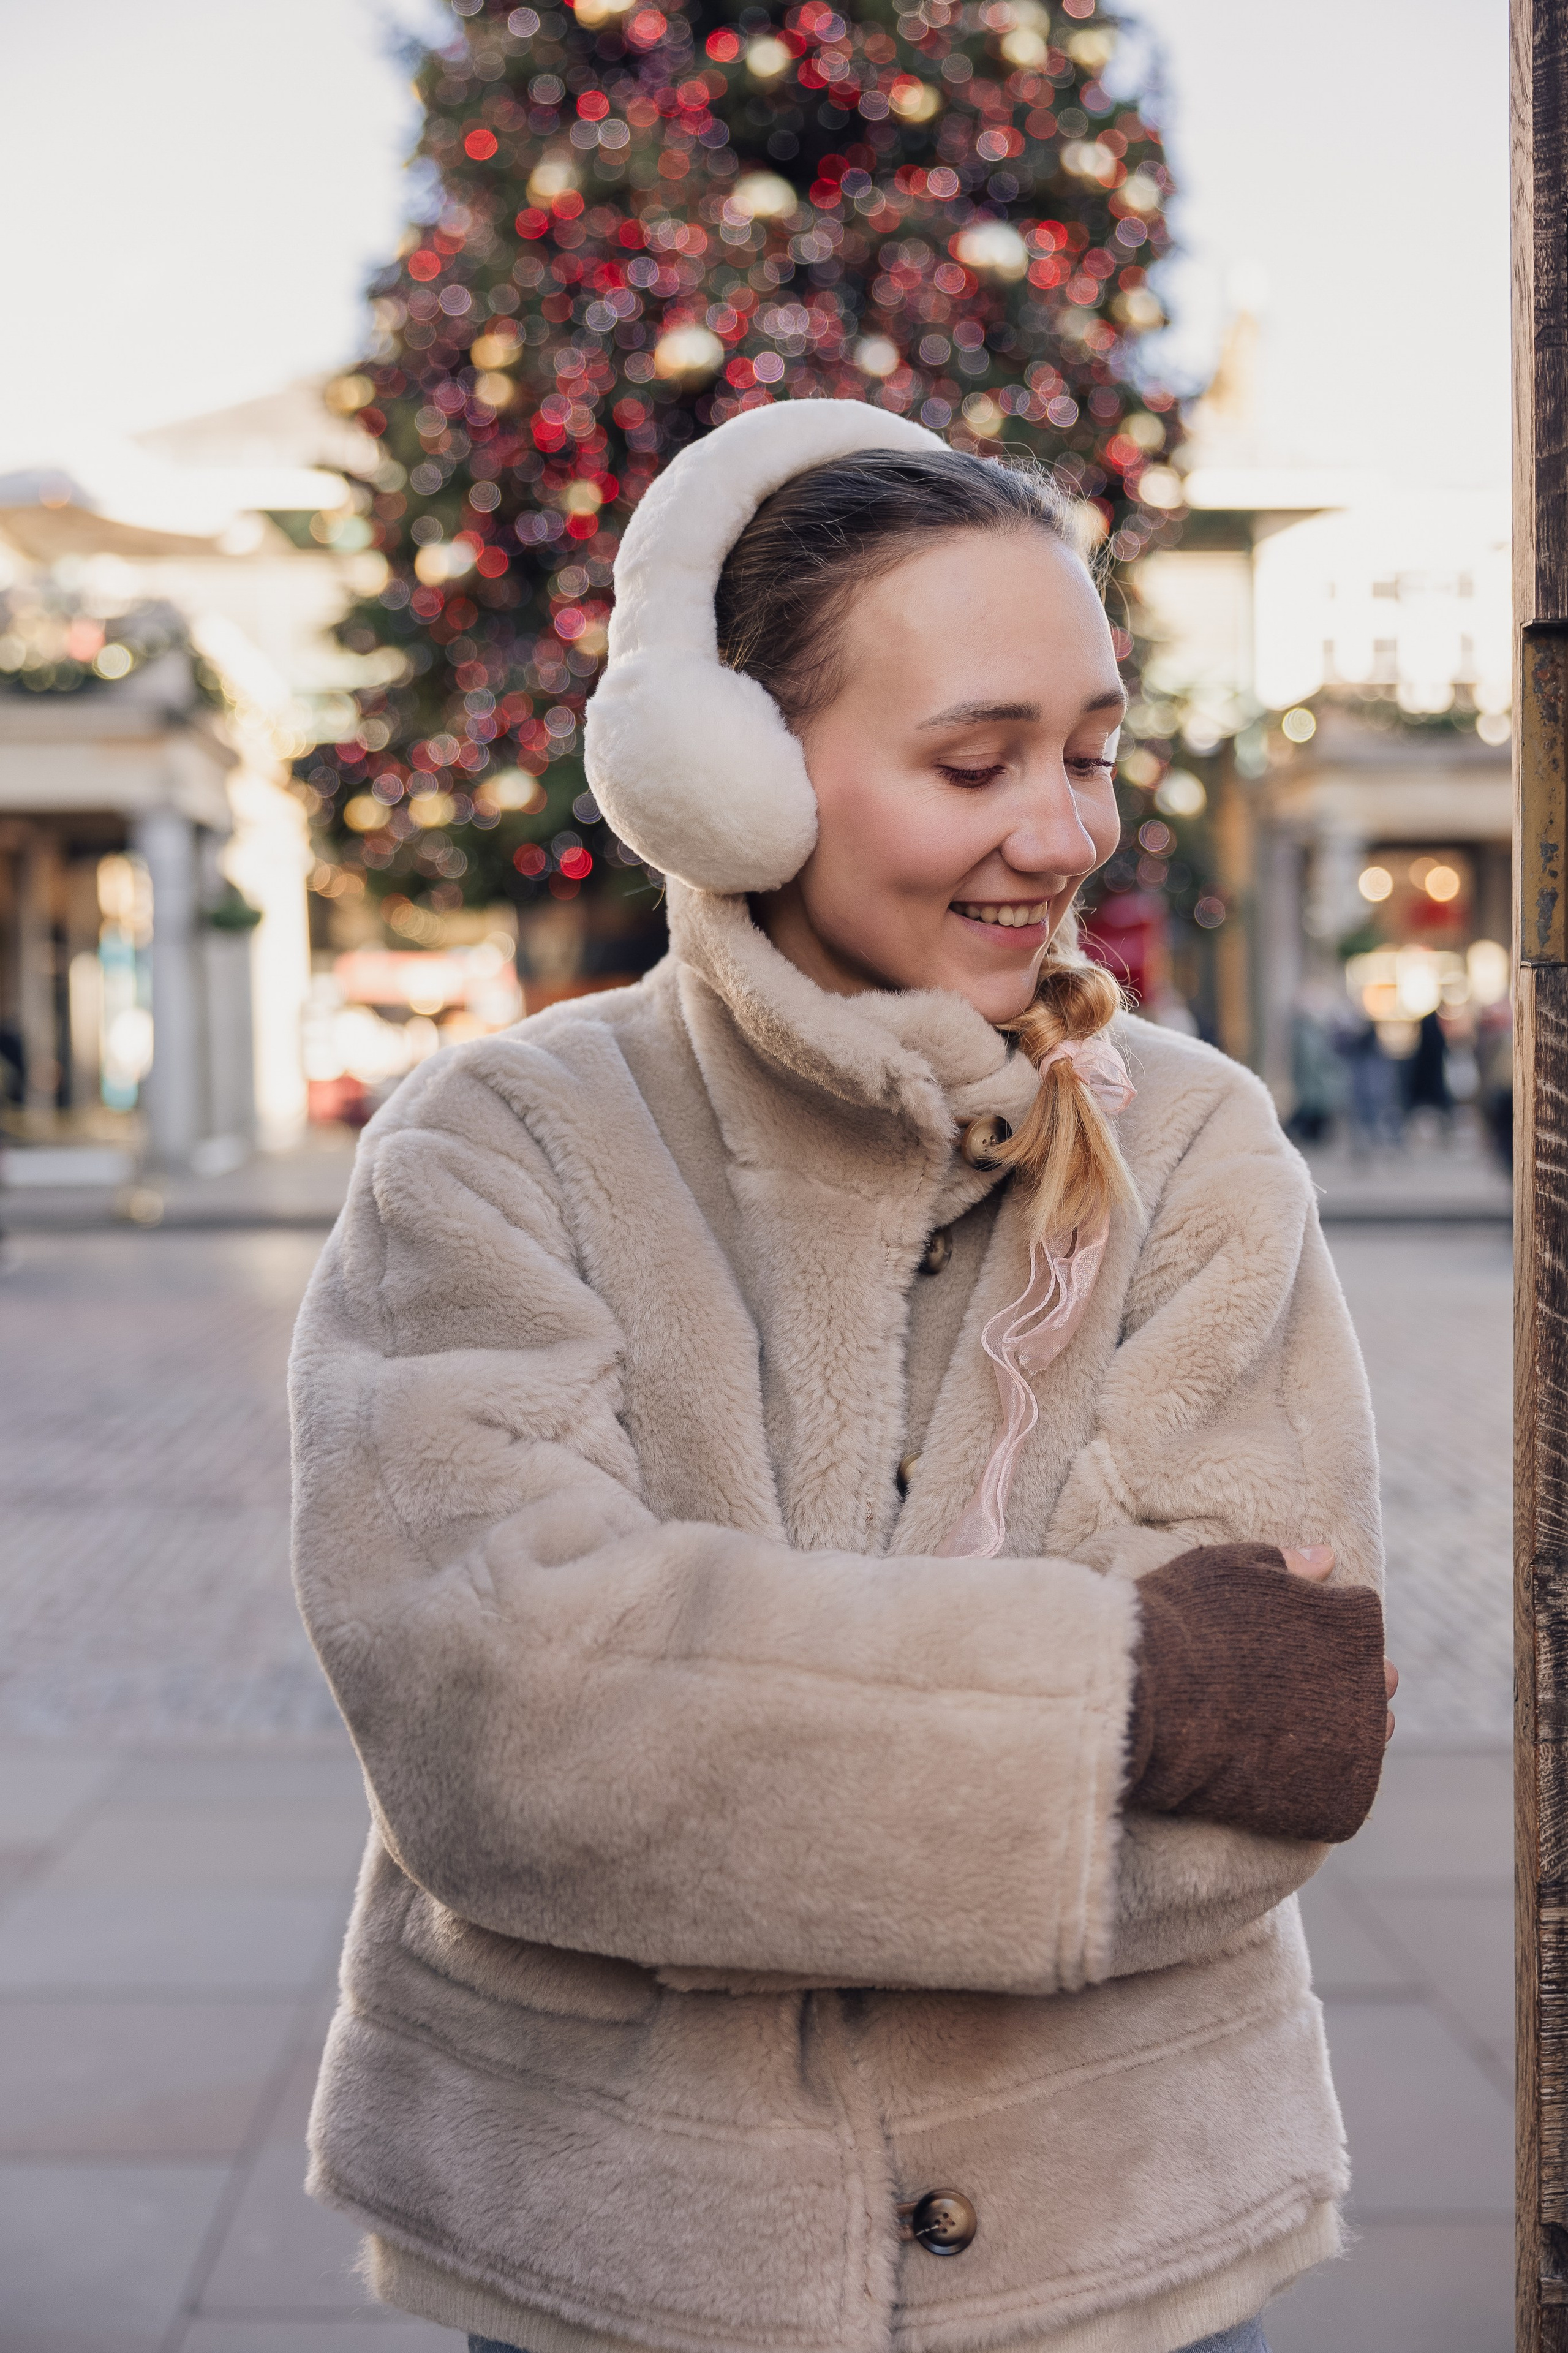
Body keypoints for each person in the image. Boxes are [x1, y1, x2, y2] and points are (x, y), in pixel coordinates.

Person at [290, 401, 1395, 2353]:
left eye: (1088, 752)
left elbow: (1277, 1760)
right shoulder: (500, 1146)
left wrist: (730, 1722)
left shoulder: (1203, 1152)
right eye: (976, 760)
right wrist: (1123, 1690)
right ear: (736, 777)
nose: (1059, 834)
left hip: (1122, 2251)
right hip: (618, 2266)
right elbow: (509, 1722)